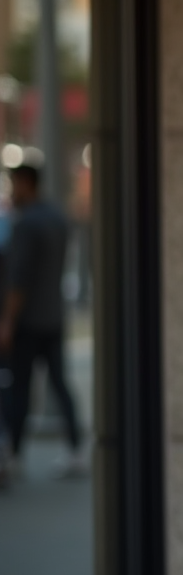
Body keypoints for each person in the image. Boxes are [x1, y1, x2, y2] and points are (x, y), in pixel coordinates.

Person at [0, 164, 84, 479]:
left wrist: (7, 321)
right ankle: (75, 448)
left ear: (25, 183)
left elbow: (17, 280)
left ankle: (14, 453)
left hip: (27, 321)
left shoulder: (26, 225)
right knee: (60, 383)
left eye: (13, 184)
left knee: (19, 388)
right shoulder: (58, 218)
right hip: (53, 316)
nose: (12, 191)